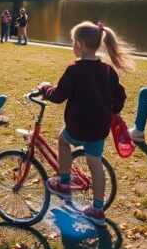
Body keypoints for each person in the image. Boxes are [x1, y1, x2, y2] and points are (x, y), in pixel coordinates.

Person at [38, 21, 133, 227]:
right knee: (95, 163)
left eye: (73, 42)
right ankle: (97, 210)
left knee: (63, 141)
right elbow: (121, 94)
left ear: (79, 45)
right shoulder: (107, 70)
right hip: (100, 127)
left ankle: (64, 182)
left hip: (78, 125)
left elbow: (58, 96)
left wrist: (45, 88)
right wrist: (114, 111)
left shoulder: (74, 69)